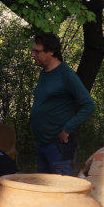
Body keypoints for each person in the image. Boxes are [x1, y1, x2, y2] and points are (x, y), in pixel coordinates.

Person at [29, 31, 95, 175]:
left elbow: (89, 104)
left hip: (58, 145)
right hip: (42, 143)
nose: (33, 55)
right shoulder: (44, 73)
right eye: (33, 50)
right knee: (43, 188)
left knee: (60, 188)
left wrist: (67, 129)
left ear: (51, 52)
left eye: (37, 52)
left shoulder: (66, 75)